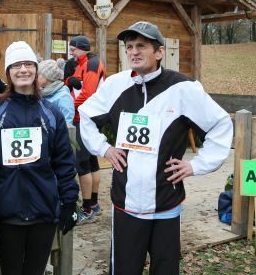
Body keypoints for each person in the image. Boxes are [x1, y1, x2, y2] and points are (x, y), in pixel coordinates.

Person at [78, 21, 233, 274]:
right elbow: (85, 116)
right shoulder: (115, 84)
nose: (134, 52)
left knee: (165, 269)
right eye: (129, 47)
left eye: (141, 46)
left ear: (159, 52)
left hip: (165, 202)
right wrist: (105, 149)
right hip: (126, 203)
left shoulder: (183, 88)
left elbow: (221, 124)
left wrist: (196, 165)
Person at [0, 41, 79, 275]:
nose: (23, 70)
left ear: (36, 69)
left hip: (43, 212)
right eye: (16, 65)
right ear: (8, 73)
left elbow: (63, 162)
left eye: (28, 64)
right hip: (6, 213)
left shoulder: (51, 113)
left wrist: (70, 202)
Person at [65, 35, 106, 223]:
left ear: (82, 48)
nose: (71, 53)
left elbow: (88, 94)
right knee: (91, 161)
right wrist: (70, 81)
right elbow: (76, 83)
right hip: (86, 116)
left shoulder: (92, 64)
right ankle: (94, 204)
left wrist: (71, 106)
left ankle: (87, 208)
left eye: (73, 49)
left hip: (85, 118)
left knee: (82, 164)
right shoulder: (83, 63)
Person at [38, 59, 74, 125]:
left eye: (38, 74)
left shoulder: (63, 97)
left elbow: (67, 124)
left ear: (48, 76)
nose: (35, 77)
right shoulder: (43, 92)